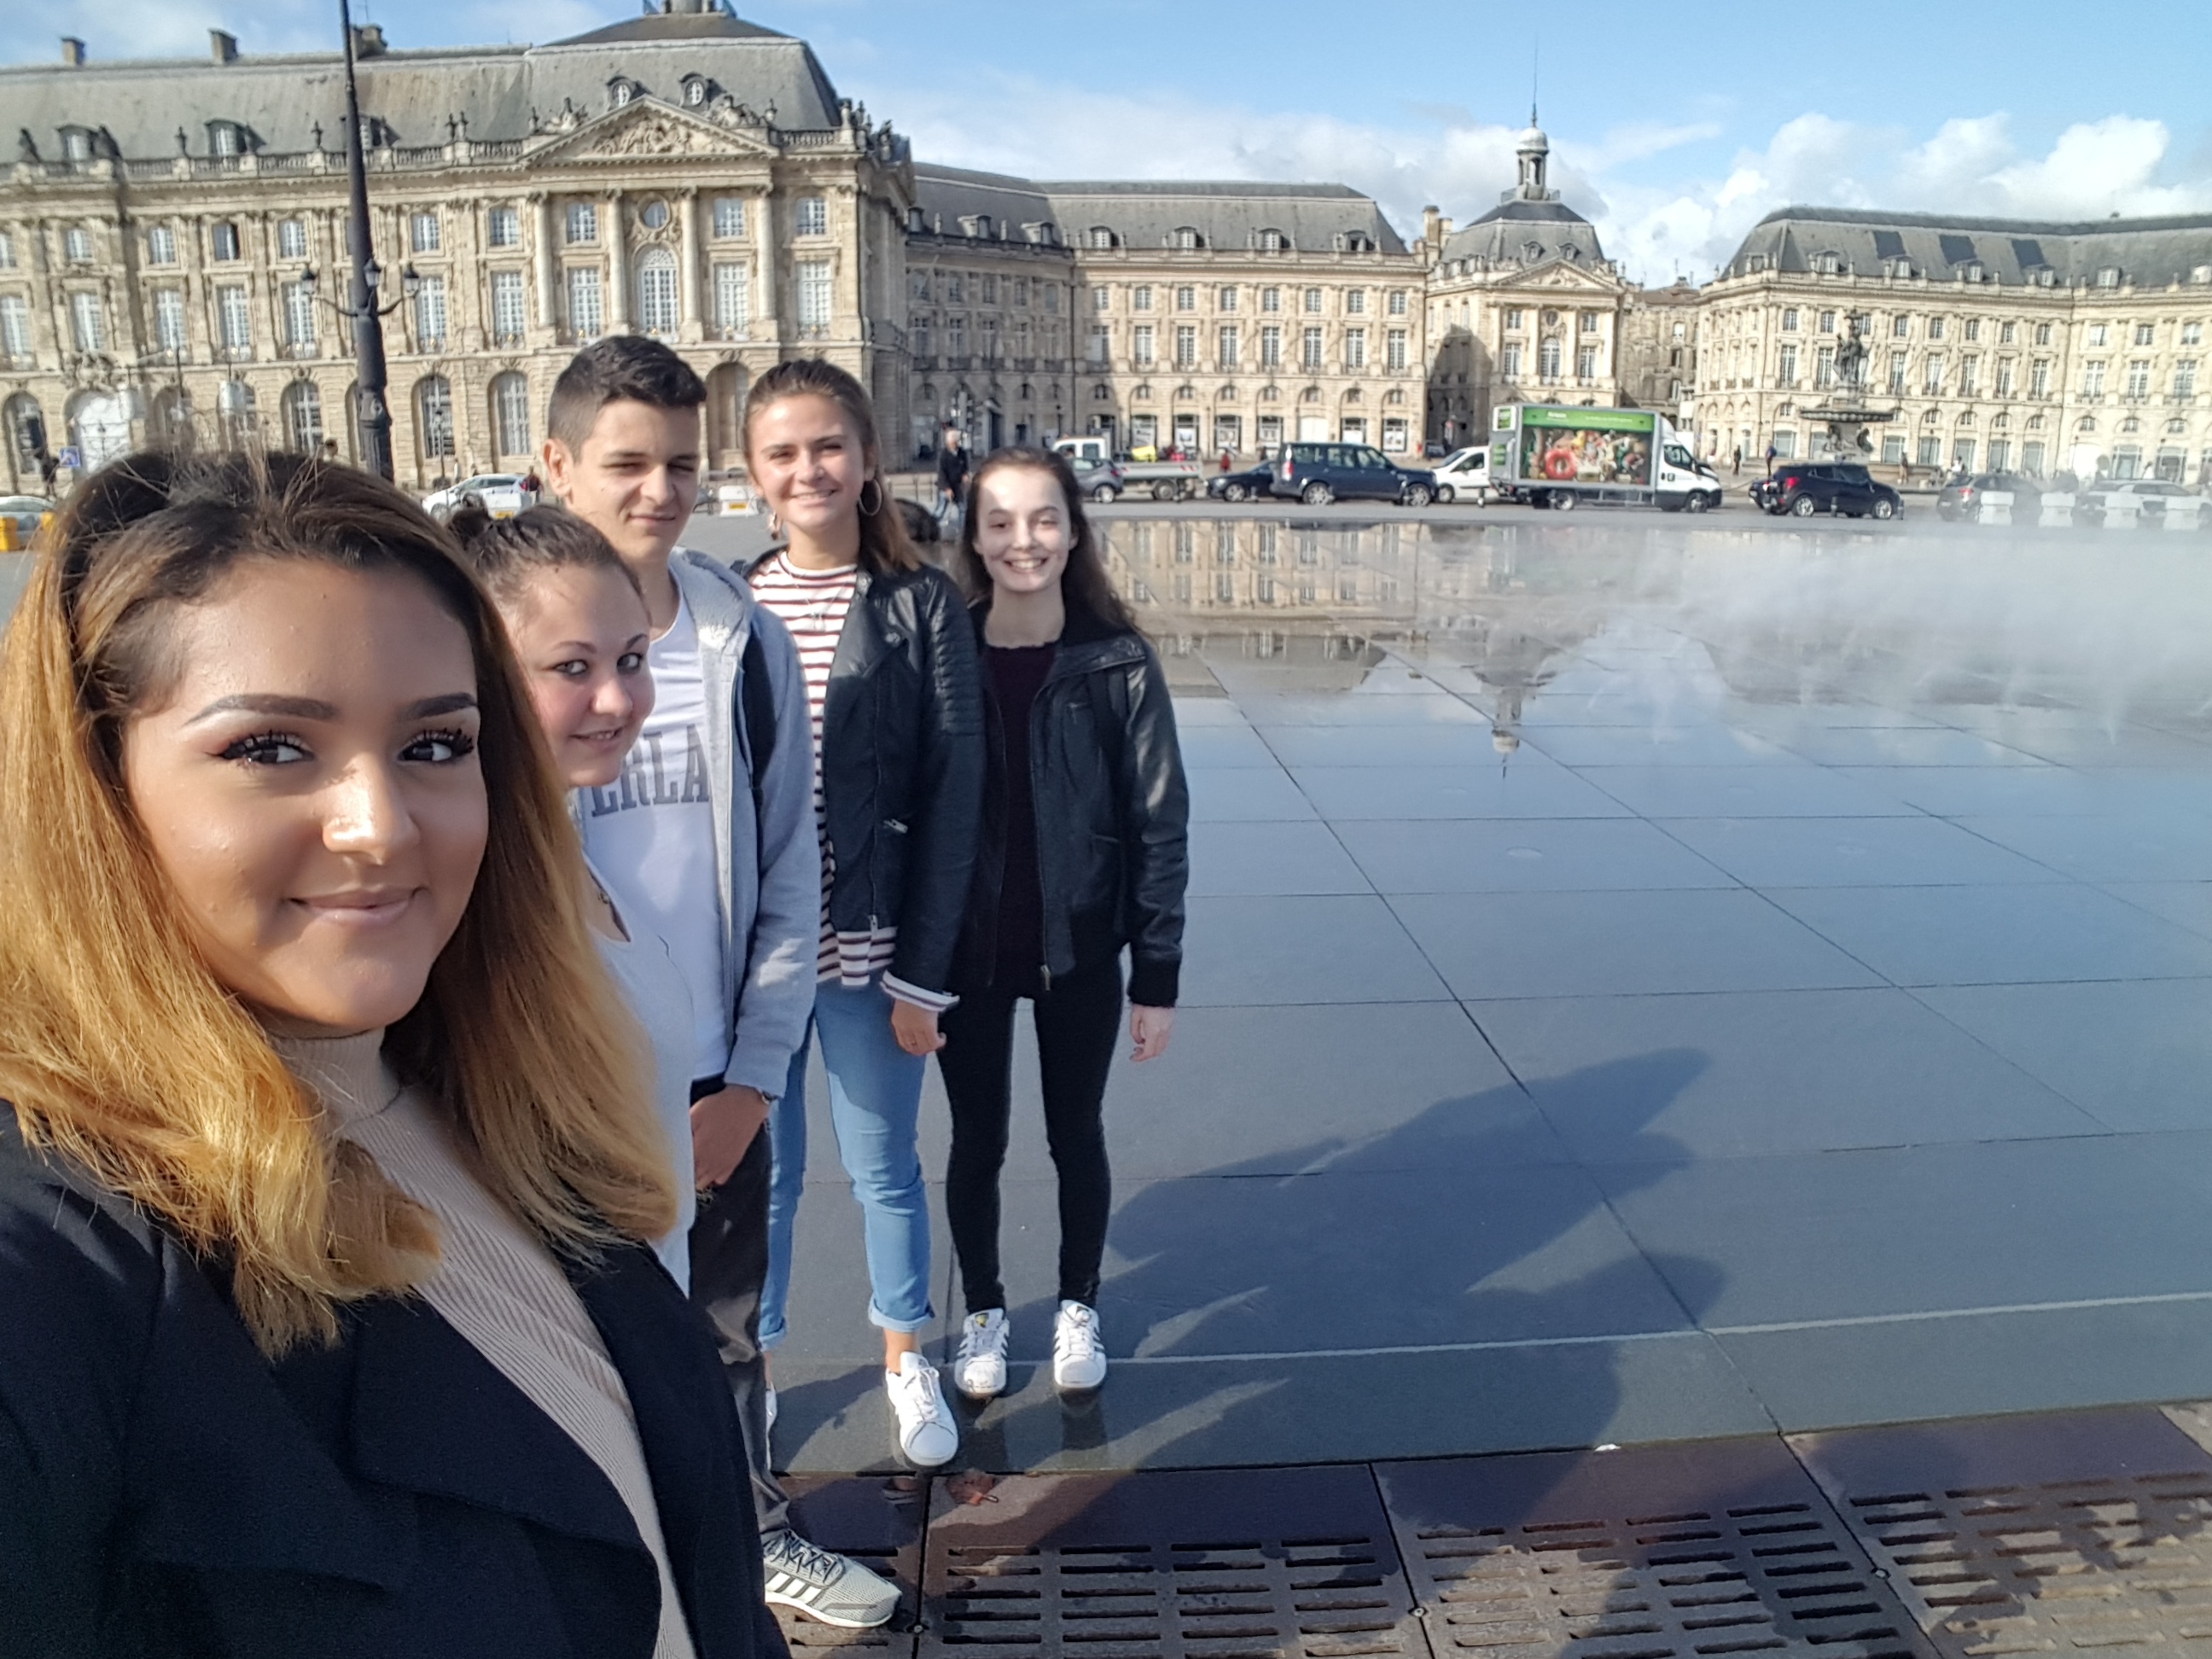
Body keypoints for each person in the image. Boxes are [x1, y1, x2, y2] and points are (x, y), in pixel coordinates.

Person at [0, 451, 779, 1657]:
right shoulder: (65, 1248)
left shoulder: (496, 1100)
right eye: (271, 748)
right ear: (98, 789)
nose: (379, 828)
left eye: (433, 745)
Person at [538, 339, 897, 1631]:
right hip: (557, 1069)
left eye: (684, 464)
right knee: (565, 1337)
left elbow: (791, 861)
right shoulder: (494, 632)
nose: (661, 491)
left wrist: (753, 1076)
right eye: (628, 464)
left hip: (711, 1066)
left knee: (730, 1328)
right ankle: (605, 1576)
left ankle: (749, 1542)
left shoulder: (739, 634)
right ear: (558, 466)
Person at [741, 360, 983, 1468]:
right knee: (765, 1178)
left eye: (828, 446)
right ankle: (757, 1368)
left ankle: (903, 1358)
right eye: (784, 452)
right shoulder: (729, 602)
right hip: (757, 956)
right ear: (755, 473)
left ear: (869, 459)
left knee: (884, 1165)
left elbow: (956, 791)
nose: (810, 470)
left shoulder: (921, 604)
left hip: (873, 949)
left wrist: (924, 976)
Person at [935, 448, 1188, 1402]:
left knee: (1075, 1133)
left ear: (1074, 531)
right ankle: (985, 1312)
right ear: (974, 536)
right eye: (999, 521)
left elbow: (1159, 820)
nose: (1023, 541)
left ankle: (1078, 1302)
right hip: (967, 948)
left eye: (1043, 519)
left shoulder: (1118, 661)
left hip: (1078, 943)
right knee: (977, 1141)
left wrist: (1156, 975)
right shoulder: (944, 656)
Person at [450, 503, 697, 1289]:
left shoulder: (564, 841)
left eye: (632, 659)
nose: (619, 700)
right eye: (573, 668)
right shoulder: (479, 894)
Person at [935, 426, 969, 524]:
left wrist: (965, 475)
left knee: (963, 509)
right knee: (940, 511)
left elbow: (965, 467)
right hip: (945, 487)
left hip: (958, 486)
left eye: (955, 442)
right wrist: (947, 489)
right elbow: (941, 473)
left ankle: (962, 531)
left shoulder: (962, 453)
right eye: (951, 442)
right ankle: (932, 528)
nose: (953, 444)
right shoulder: (943, 455)